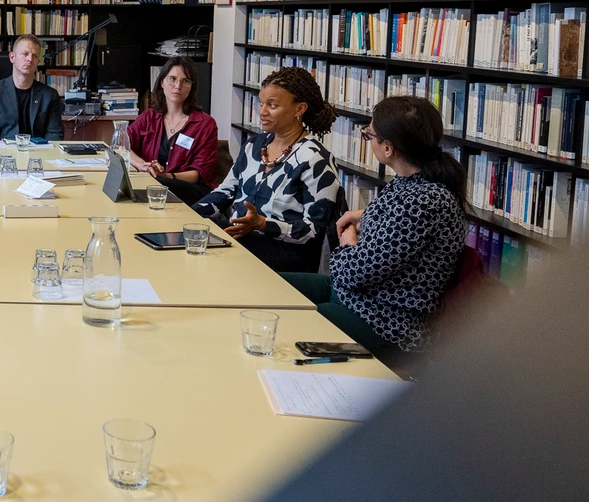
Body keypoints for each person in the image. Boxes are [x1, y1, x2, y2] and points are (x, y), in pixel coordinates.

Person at [281, 96, 467, 357]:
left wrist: (348, 243)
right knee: (272, 288)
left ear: (388, 148)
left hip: (386, 322)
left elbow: (352, 273)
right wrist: (364, 216)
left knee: (290, 322)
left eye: (369, 134)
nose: (367, 139)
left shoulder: (423, 201)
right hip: (359, 298)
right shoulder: (411, 182)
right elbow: (394, 230)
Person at [193, 67, 341, 272]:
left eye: (272, 105)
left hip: (287, 252)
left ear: (299, 109)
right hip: (242, 237)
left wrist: (263, 224)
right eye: (261, 103)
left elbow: (315, 230)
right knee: (194, 230)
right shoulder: (254, 145)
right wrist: (188, 215)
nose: (262, 112)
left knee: (208, 244)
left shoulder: (315, 159)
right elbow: (225, 191)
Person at [127, 57, 221, 206]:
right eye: (172, 79)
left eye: (185, 81)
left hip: (192, 191)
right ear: (162, 82)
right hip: (152, 183)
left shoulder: (205, 124)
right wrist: (143, 166)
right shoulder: (149, 117)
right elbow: (122, 145)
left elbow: (199, 173)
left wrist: (166, 176)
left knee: (154, 186)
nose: (178, 86)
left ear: (192, 87)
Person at [0, 34, 64, 141]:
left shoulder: (50, 95)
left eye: (35, 56)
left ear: (38, 61)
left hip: (39, 151)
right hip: (4, 150)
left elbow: (54, 135)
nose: (30, 59)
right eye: (25, 54)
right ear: (12, 57)